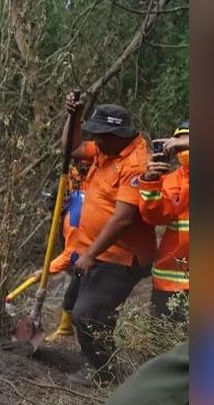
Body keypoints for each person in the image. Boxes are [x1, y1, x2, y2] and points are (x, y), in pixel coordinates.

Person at [62, 94, 155, 384]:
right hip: (97, 252)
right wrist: (74, 116)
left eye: (102, 136)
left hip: (121, 257)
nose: (96, 142)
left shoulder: (137, 163)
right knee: (74, 303)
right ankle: (98, 359)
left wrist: (90, 254)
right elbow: (71, 148)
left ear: (118, 135)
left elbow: (123, 218)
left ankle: (102, 372)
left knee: (88, 313)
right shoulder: (108, 150)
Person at [139, 121, 191, 321]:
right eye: (178, 142)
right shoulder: (171, 180)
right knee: (163, 344)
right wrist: (151, 180)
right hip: (171, 279)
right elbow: (155, 216)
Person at [45, 157, 91, 342]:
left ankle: (71, 329)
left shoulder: (97, 180)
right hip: (73, 240)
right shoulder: (67, 180)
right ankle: (66, 327)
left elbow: (71, 254)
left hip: (87, 245)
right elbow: (51, 201)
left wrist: (47, 270)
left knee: (77, 288)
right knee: (74, 281)